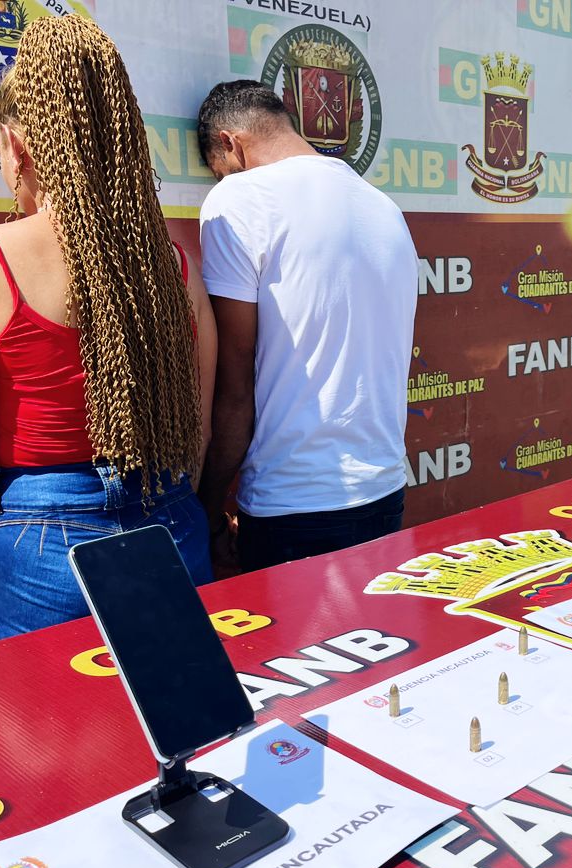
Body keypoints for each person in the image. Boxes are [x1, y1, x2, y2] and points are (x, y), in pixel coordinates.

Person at [0, 15, 217, 643]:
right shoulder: (170, 261)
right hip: (171, 515)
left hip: (41, 539)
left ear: (15, 142)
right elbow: (197, 424)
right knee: (179, 729)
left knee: (46, 738)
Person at [195, 80, 417, 573]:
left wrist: (208, 511)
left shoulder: (239, 198)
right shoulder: (382, 205)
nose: (221, 181)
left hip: (292, 503)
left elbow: (234, 387)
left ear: (231, 143)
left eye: (218, 170)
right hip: (382, 487)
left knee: (294, 653)